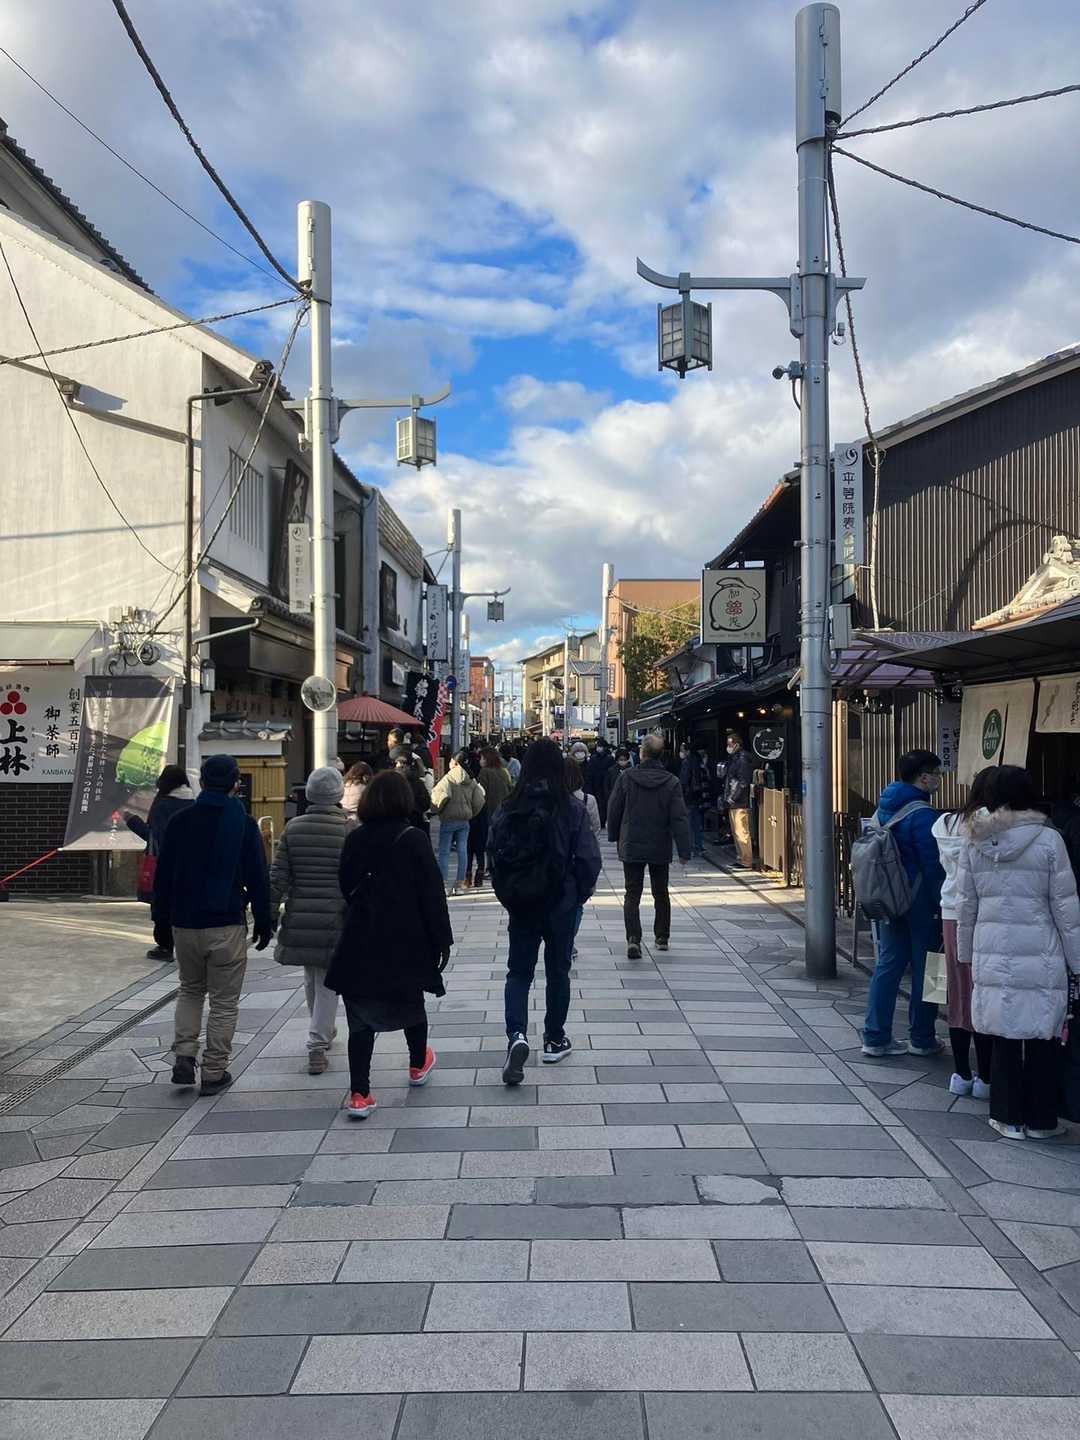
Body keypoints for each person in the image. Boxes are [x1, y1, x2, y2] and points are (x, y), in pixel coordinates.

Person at [956, 765, 1080, 1140]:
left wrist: (965, 954)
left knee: (1003, 1035)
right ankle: (1042, 1122)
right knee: (1043, 1035)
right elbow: (1066, 908)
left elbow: (966, 904)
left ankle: (1007, 1117)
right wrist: (1076, 961)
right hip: (1042, 950)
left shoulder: (974, 840)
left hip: (992, 948)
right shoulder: (1049, 840)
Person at [325, 769, 452, 1119]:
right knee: (410, 1002)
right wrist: (441, 939)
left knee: (360, 1019)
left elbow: (346, 886)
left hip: (360, 937)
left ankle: (360, 1094)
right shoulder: (413, 839)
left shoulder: (355, 838)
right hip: (405, 937)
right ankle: (417, 1064)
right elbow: (432, 894)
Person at [152, 754, 273, 1096]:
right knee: (223, 1002)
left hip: (185, 923)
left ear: (202, 783)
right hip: (225, 924)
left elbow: (164, 878)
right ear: (235, 784)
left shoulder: (180, 822)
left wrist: (161, 922)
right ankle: (214, 1070)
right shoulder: (243, 824)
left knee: (190, 990)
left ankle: (184, 1055)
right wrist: (264, 920)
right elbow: (258, 878)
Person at [489, 737, 601, 1082]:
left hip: (522, 902)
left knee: (518, 972)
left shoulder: (509, 807)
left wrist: (508, 894)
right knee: (558, 971)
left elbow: (494, 854)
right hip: (560, 903)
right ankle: (554, 1039)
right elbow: (589, 859)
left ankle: (517, 1035)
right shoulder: (571, 808)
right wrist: (578, 894)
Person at [269, 767, 355, 1075]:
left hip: (300, 912)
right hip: (335, 914)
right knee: (327, 980)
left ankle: (323, 1030)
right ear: (338, 794)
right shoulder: (348, 829)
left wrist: (269, 911)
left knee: (311, 975)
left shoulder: (293, 828)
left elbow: (278, 875)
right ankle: (317, 1044)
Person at [861, 749, 946, 1059]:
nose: (939, 779)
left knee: (888, 965)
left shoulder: (885, 807)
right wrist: (943, 903)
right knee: (933, 968)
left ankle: (875, 1036)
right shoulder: (923, 815)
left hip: (891, 899)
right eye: (936, 774)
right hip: (922, 902)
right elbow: (934, 866)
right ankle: (923, 1037)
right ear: (923, 777)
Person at [933, 767, 996, 1097]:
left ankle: (961, 1073)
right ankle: (986, 1076)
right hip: (983, 913)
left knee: (957, 993)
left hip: (950, 911)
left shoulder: (945, 823)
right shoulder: (992, 825)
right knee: (982, 992)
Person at [607, 732, 691, 959]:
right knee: (660, 891)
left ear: (642, 753)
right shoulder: (671, 782)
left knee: (632, 893)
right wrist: (684, 849)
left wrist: (614, 835)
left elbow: (614, 808)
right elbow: (679, 818)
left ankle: (633, 939)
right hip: (659, 842)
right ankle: (662, 937)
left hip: (632, 841)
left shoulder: (627, 777)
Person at [125, 764, 195, 959]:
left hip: (165, 864)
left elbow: (155, 837)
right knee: (185, 903)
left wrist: (132, 821)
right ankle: (187, 945)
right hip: (191, 864)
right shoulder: (194, 803)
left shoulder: (163, 805)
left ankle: (165, 946)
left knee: (162, 905)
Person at [431, 748, 486, 894]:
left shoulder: (447, 779)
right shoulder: (471, 779)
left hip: (449, 819)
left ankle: (443, 884)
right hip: (464, 820)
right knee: (462, 850)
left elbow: (438, 799)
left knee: (444, 852)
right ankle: (460, 884)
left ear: (454, 762)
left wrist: (437, 811)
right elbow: (480, 800)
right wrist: (471, 812)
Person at [474, 746, 513, 889]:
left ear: (487, 759)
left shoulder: (485, 772)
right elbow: (510, 788)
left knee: (489, 842)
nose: (480, 761)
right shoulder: (504, 771)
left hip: (489, 811)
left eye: (482, 758)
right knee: (501, 840)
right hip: (504, 811)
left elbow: (480, 793)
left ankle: (490, 867)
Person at [722, 732, 755, 868]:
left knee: (741, 831)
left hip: (739, 801)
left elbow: (743, 782)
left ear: (736, 744)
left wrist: (732, 798)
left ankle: (746, 860)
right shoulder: (735, 758)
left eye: (730, 744)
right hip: (734, 800)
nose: (728, 747)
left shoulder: (741, 759)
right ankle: (741, 858)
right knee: (737, 831)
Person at [679, 742, 712, 858]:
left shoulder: (687, 762)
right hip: (699, 796)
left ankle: (690, 848)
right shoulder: (699, 761)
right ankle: (699, 846)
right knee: (697, 823)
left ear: (687, 751)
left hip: (689, 796)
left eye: (682, 750)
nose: (681, 753)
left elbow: (684, 780)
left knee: (688, 823)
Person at [394, 754, 432, 835]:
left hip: (412, 821)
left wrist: (413, 808)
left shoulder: (417, 782)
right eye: (397, 765)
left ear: (409, 766)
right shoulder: (390, 782)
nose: (400, 768)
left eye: (403, 765)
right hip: (401, 822)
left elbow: (426, 802)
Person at [585, 739, 615, 827]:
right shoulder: (593, 758)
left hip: (605, 783)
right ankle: (599, 820)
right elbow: (590, 771)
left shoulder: (609, 758)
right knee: (598, 803)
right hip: (596, 784)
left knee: (604, 803)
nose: (599, 748)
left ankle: (602, 820)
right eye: (598, 746)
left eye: (600, 746)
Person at [604, 746, 632, 816]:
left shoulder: (632, 771)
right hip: (614, 799)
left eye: (624, 759)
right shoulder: (611, 771)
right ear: (617, 760)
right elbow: (606, 786)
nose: (623, 761)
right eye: (621, 759)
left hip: (628, 800)